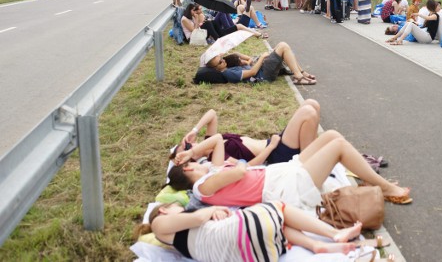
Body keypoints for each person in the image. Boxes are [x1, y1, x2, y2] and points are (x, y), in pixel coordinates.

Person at [168, 129, 412, 210]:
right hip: (284, 188)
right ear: (188, 172)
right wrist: (234, 165)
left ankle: (367, 177)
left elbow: (218, 138)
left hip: (280, 174)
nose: (199, 163)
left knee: (331, 135)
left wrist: (191, 151)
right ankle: (386, 187)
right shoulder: (201, 187)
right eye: (192, 164)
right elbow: (241, 172)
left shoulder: (210, 174)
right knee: (337, 145)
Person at [136, 201, 362, 261]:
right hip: (243, 236)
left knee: (276, 225)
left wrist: (212, 214)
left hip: (255, 256)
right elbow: (195, 217)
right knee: (278, 207)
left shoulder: (183, 244)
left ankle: (317, 246)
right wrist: (212, 209)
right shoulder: (159, 226)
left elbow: (199, 223)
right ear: (164, 210)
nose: (181, 207)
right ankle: (333, 233)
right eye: (176, 206)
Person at [172, 100, 321, 166]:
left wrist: (194, 130)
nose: (189, 145)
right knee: (308, 112)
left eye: (186, 144)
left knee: (311, 104)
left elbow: (212, 114)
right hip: (277, 153)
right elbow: (248, 167)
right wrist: (271, 147)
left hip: (275, 142)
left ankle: (314, 157)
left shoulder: (210, 140)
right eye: (187, 148)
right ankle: (310, 163)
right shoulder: (216, 158)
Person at [205, 41, 316, 85]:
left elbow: (248, 63)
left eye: (221, 58)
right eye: (220, 62)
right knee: (283, 47)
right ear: (216, 68)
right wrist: (262, 57)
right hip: (263, 76)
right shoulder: (229, 73)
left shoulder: (227, 68)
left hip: (262, 70)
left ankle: (301, 73)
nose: (223, 60)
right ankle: (298, 76)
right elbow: (253, 72)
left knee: (281, 46)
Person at [181, 3, 265, 44]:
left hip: (200, 35)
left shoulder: (192, 16)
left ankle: (221, 36)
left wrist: (198, 19)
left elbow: (198, 26)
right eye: (193, 10)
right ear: (189, 10)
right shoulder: (184, 19)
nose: (194, 12)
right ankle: (219, 39)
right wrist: (197, 20)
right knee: (208, 23)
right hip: (193, 39)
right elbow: (194, 31)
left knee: (212, 22)